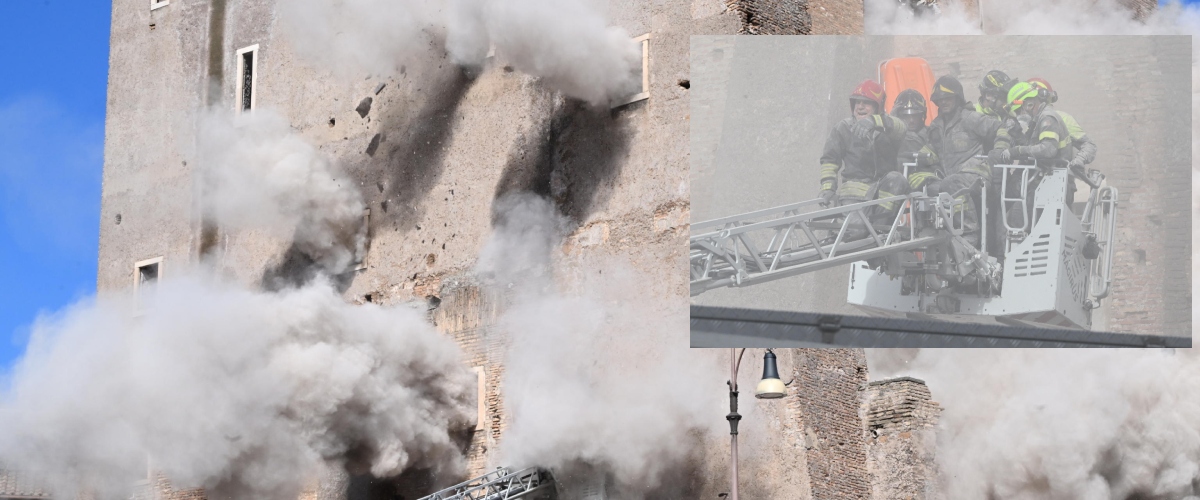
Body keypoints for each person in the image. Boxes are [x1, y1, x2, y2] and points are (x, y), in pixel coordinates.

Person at [924, 75, 1013, 248]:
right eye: (940, 99)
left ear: (958, 98)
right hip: (952, 179)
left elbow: (1001, 128)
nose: (944, 102)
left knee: (952, 184)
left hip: (977, 174)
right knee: (931, 187)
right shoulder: (935, 126)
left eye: (948, 98)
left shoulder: (970, 118)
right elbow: (931, 150)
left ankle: (969, 233)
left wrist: (1000, 150)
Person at [817, 79, 911, 232]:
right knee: (855, 232)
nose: (860, 106)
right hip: (854, 195)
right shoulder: (843, 128)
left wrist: (875, 121)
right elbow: (829, 160)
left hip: (883, 192)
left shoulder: (888, 127)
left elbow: (902, 128)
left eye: (866, 103)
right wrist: (827, 187)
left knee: (897, 178)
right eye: (857, 102)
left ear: (878, 107)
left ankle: (879, 229)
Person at [994, 81, 1072, 231]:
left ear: (1029, 104)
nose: (1019, 115)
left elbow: (1048, 150)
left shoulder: (1047, 118)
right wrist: (1016, 133)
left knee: (1019, 219)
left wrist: (1017, 151)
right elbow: (1033, 147)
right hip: (1047, 183)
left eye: (1019, 111)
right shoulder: (1039, 119)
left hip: (1052, 184)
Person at [1027, 77, 1097, 207]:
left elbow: (1089, 145)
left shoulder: (1061, 118)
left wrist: (1078, 161)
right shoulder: (1028, 122)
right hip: (1029, 182)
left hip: (1058, 182)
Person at [890, 89, 940, 192]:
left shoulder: (933, 133)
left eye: (915, 115)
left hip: (932, 184)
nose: (911, 121)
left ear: (922, 115)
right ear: (898, 116)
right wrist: (891, 122)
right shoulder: (893, 136)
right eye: (906, 116)